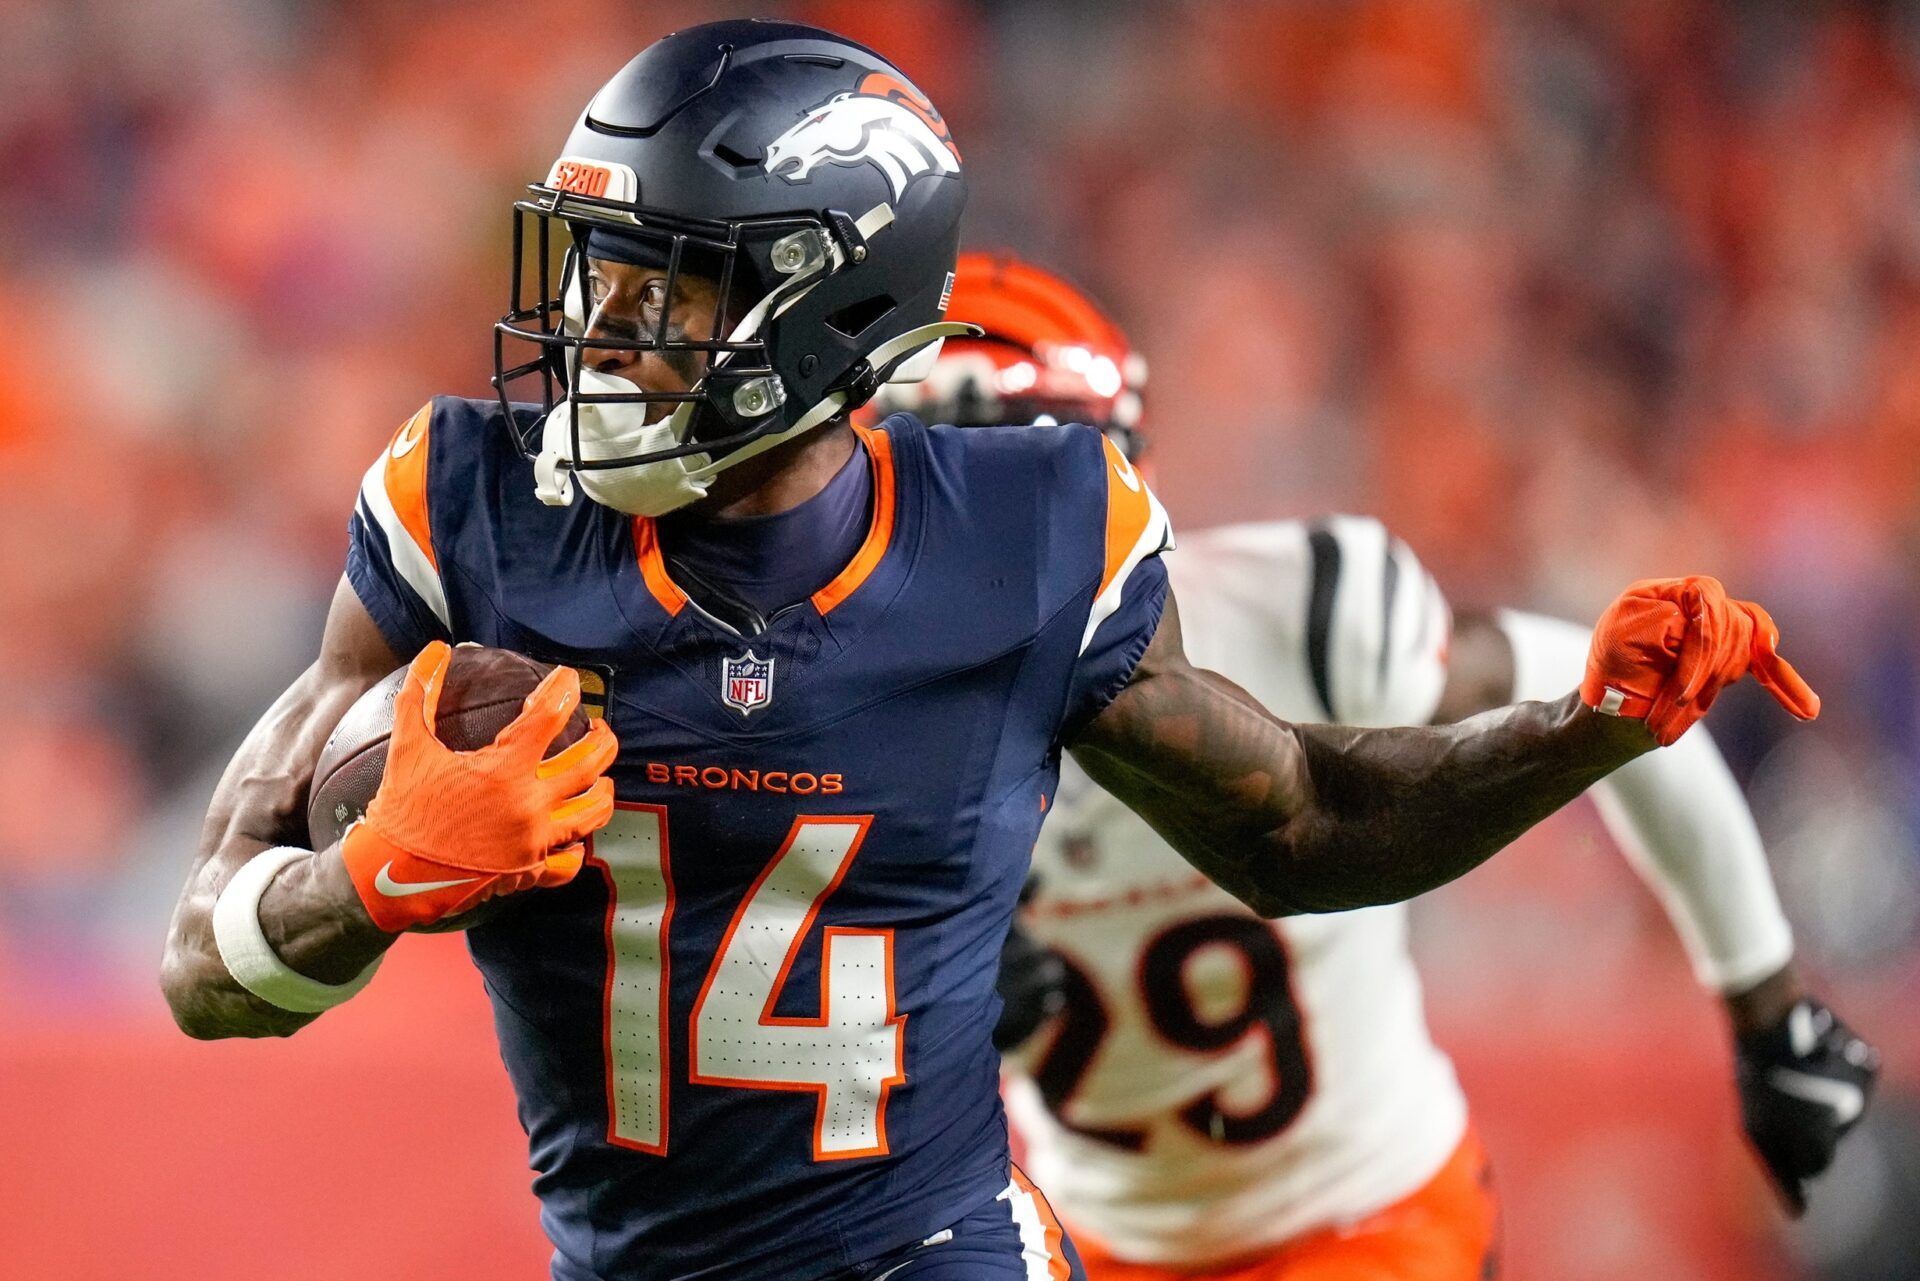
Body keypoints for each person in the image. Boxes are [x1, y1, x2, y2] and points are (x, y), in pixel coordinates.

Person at [158, 23, 1821, 1281]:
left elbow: (1307, 825)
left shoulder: (1021, 539)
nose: (591, 337)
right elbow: (204, 973)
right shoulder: (466, 510)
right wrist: (365, 884)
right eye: (591, 276)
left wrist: (1590, 730)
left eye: (653, 292)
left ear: (823, 314)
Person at [872, 253, 1879, 1281]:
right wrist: (907, 1002)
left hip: (1365, 1212)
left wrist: (1768, 1008)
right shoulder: (826, 721)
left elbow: (1628, 720)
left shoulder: (1302, 618)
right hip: (1089, 1240)